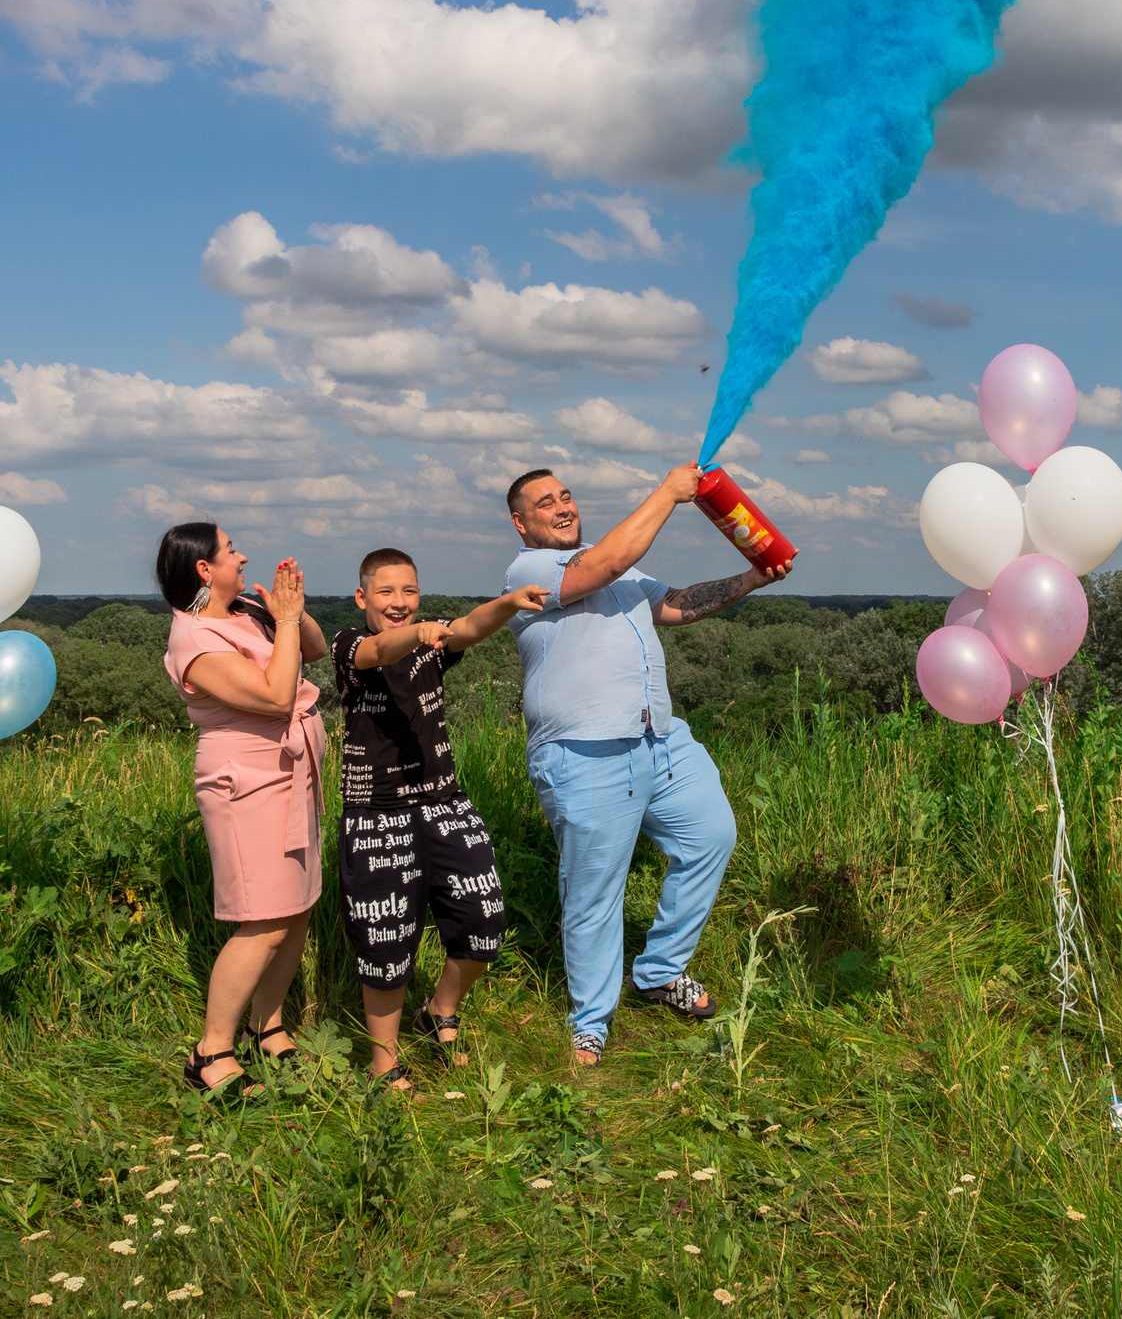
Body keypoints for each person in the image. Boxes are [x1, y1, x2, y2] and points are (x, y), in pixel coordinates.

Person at [503, 463, 792, 1064]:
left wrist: (751, 579)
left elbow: (678, 606)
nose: (561, 507)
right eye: (544, 503)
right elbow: (599, 568)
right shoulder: (530, 570)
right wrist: (668, 492)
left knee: (711, 834)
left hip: (660, 740)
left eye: (566, 496)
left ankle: (659, 971)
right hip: (584, 751)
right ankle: (591, 1021)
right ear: (521, 524)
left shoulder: (618, 560)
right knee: (594, 892)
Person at [330, 549, 549, 1090]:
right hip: (376, 811)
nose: (399, 603)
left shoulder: (431, 645)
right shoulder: (348, 645)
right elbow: (381, 648)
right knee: (385, 939)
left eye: (409, 592)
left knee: (485, 917)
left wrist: (507, 603)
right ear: (363, 599)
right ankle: (385, 1066)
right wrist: (423, 631)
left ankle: (438, 1011)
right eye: (386, 593)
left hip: (443, 802)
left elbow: (470, 627)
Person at [156, 522, 328, 1096]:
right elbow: (276, 695)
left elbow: (315, 650)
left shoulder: (246, 613)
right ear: (205, 569)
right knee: (263, 920)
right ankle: (211, 1052)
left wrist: (289, 611)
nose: (243, 555)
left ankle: (268, 1026)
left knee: (296, 910)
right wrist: (281, 620)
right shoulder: (194, 639)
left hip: (291, 773)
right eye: (231, 551)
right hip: (247, 784)